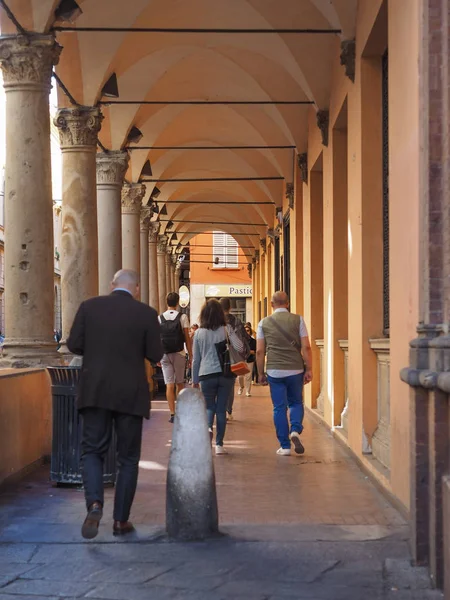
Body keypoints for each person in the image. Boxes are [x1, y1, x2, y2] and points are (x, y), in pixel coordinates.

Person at [67, 269, 163, 539]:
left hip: (95, 391)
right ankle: (121, 521)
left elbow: (74, 344)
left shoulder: (89, 307)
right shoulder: (146, 313)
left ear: (112, 285)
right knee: (128, 458)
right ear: (137, 289)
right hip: (130, 394)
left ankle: (95, 503)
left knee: (92, 451)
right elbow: (156, 354)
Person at [256, 291, 313, 456]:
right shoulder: (298, 320)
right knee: (296, 402)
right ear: (287, 303)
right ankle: (295, 429)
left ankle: (285, 446)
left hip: (274, 370)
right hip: (295, 369)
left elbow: (260, 351)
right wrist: (309, 368)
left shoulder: (263, 323)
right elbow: (306, 347)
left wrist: (260, 373)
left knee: (279, 407)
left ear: (272, 305)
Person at [192, 299, 244, 455]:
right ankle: (219, 445)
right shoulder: (226, 329)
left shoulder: (199, 333)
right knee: (221, 409)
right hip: (225, 374)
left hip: (206, 374)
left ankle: (208, 428)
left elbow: (196, 360)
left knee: (209, 407)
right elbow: (240, 347)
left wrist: (195, 380)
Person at [159, 292, 192, 423]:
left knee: (169, 384)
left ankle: (172, 413)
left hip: (164, 354)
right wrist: (190, 355)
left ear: (166, 302)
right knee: (180, 384)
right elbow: (187, 339)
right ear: (178, 302)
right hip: (179, 353)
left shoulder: (159, 318)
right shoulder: (183, 317)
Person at [219, 297, 248, 421]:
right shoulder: (236, 320)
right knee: (230, 386)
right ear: (230, 307)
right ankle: (228, 410)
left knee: (219, 384)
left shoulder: (214, 321)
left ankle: (220, 409)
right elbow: (243, 340)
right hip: (232, 358)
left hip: (217, 357)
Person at [238, 323, 256, 397]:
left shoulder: (253, 341)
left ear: (250, 332)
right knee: (240, 376)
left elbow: (255, 351)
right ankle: (241, 386)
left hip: (250, 360)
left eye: (248, 331)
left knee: (248, 376)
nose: (246, 332)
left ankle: (247, 391)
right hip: (241, 360)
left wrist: (248, 351)